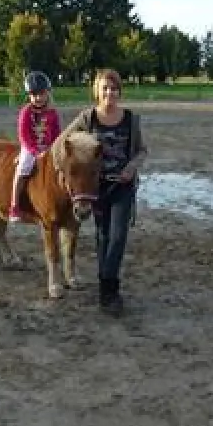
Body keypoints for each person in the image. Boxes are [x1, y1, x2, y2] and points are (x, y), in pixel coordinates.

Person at [63, 69, 148, 314]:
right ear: (97, 92)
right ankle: (106, 292)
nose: (110, 93)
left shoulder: (131, 119)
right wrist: (68, 172)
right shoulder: (87, 118)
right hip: (96, 189)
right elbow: (63, 143)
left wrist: (131, 167)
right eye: (105, 88)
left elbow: (142, 150)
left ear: (119, 91)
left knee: (118, 236)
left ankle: (109, 287)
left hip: (123, 186)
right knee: (103, 236)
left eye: (114, 88)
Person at [9, 70, 62, 223]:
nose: (38, 98)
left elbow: (57, 133)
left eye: (41, 94)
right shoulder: (26, 112)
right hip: (31, 147)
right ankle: (14, 205)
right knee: (22, 169)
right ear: (29, 95)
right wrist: (34, 151)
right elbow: (23, 135)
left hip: (48, 147)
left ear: (47, 93)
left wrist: (54, 148)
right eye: (34, 94)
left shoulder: (52, 113)